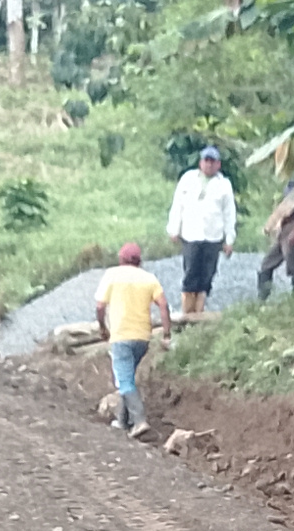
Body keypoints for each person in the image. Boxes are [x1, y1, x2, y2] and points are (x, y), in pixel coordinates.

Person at [93, 242, 171, 434]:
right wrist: (166, 333)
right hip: (142, 337)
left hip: (121, 336)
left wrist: (103, 327)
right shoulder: (149, 278)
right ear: (139, 261)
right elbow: (163, 305)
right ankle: (123, 421)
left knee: (124, 381)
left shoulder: (112, 275)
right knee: (127, 377)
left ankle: (139, 421)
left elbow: (100, 306)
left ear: (121, 259)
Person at [166, 145, 237, 315]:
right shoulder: (188, 179)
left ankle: (199, 313)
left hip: (213, 236)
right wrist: (174, 228)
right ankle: (187, 312)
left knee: (207, 275)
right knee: (191, 273)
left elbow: (229, 213)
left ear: (218, 164)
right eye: (206, 161)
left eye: (213, 162)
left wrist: (229, 239)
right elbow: (178, 205)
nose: (209, 165)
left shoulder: (224, 185)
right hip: (191, 234)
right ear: (201, 162)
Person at [257, 191, 294, 299]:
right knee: (267, 263)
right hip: (285, 227)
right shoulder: (292, 185)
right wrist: (274, 224)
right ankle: (262, 297)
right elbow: (284, 208)